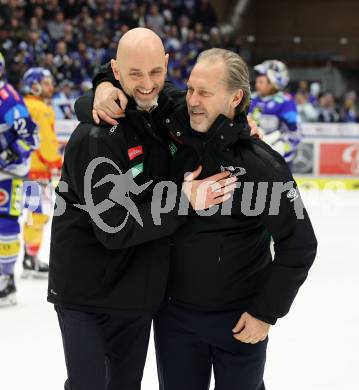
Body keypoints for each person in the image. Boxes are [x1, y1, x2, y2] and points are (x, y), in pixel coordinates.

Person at [86, 42, 317, 389]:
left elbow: (299, 245)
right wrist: (103, 85)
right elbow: (136, 77)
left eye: (205, 93)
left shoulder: (262, 164)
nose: (192, 100)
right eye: (191, 89)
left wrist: (265, 313)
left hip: (240, 322)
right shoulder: (174, 122)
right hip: (174, 320)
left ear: (235, 98)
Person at [48, 28, 234, 390]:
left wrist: (240, 124)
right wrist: (185, 200)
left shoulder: (164, 111)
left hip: (137, 294)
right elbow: (115, 227)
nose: (148, 84)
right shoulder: (97, 136)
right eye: (135, 74)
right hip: (86, 295)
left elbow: (206, 107)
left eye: (156, 72)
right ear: (116, 71)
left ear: (166, 65)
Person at [0, 52, 39, 306]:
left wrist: (7, 155)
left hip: (8, 173)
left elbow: (31, 137)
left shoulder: (8, 100)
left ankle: (6, 281)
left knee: (5, 222)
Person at [22, 67, 62, 278]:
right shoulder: (43, 109)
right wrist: (57, 161)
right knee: (37, 214)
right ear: (35, 85)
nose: (50, 87)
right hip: (37, 171)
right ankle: (31, 258)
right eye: (46, 83)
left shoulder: (23, 105)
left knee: (25, 214)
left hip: (22, 169)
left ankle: (27, 256)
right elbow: (46, 143)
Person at [249, 59, 301, 166]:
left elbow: (295, 133)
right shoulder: (251, 100)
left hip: (278, 160)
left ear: (273, 83)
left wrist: (281, 146)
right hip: (254, 158)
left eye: (261, 82)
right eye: (257, 81)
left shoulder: (285, 102)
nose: (257, 85)